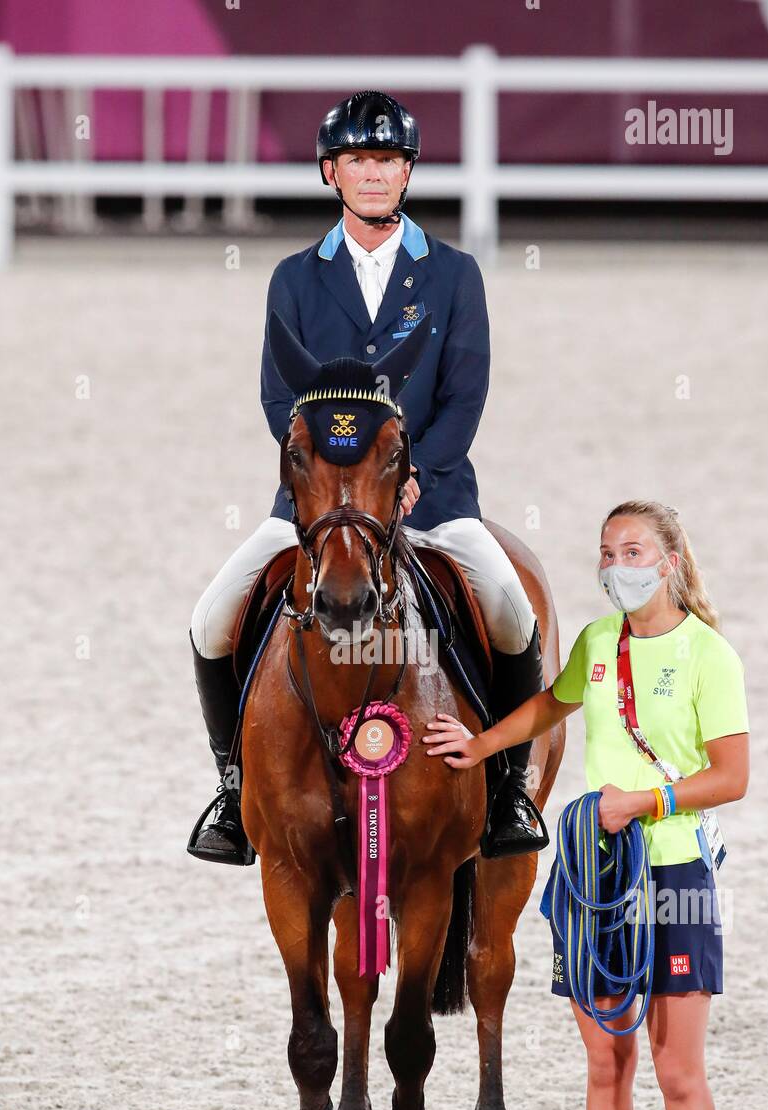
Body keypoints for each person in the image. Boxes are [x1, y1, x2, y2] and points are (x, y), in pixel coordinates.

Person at [188, 90, 544, 864]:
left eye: (387, 160)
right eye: (359, 160)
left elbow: (465, 391)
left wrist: (416, 476)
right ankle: (229, 782)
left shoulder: (452, 274)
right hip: (316, 505)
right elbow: (280, 398)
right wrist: (330, 485)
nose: (374, 174)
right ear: (332, 171)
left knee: (513, 612)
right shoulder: (294, 279)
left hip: (433, 496)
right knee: (212, 616)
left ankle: (509, 788)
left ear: (407, 171)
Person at [423, 500, 750, 1110]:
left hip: (675, 878)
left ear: (669, 561)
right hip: (596, 876)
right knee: (606, 1061)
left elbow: (732, 777)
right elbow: (551, 704)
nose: (616, 566)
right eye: (606, 552)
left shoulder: (710, 656)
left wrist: (647, 803)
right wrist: (484, 743)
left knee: (678, 1070)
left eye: (632, 550)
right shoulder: (599, 644)